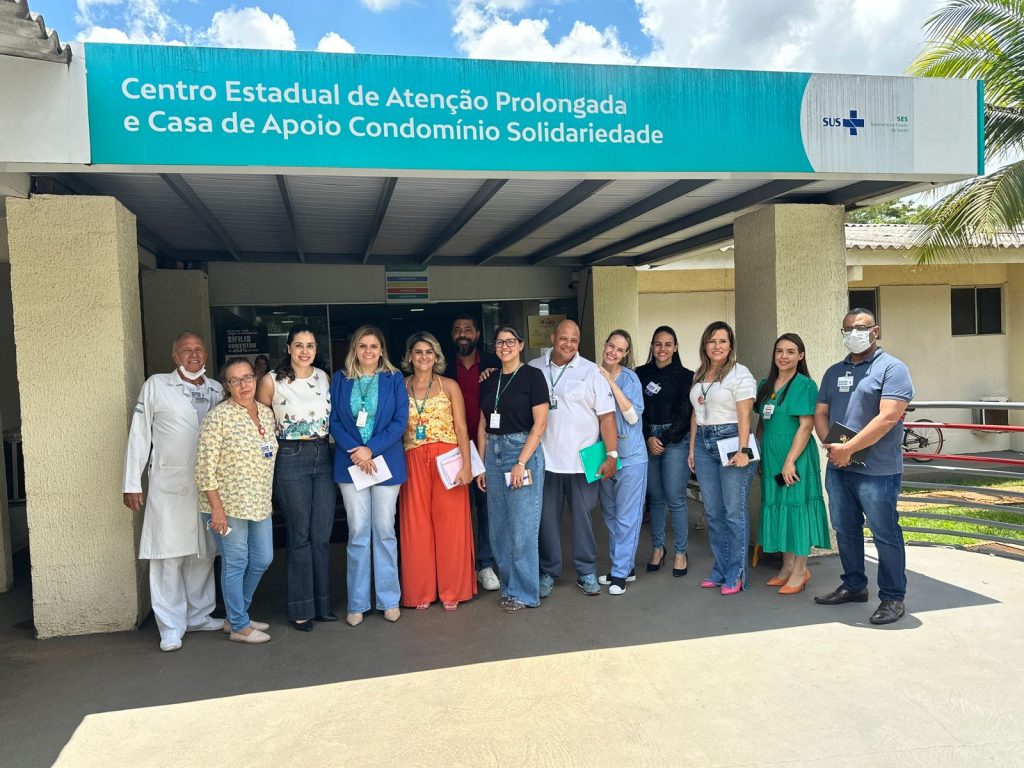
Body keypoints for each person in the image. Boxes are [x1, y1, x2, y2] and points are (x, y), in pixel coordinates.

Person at [123, 332, 224, 652]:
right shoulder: (156, 386)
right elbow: (139, 435)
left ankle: (198, 614)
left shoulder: (217, 389)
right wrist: (131, 482)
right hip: (169, 484)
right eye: (186, 350)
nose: (193, 354)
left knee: (203, 552)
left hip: (208, 484)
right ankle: (170, 625)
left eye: (198, 349)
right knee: (168, 555)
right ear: (174, 355)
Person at [814, 308, 914, 625]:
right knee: (845, 530)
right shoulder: (833, 371)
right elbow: (820, 412)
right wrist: (833, 448)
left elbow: (888, 417)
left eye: (859, 328)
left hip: (878, 470)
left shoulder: (892, 369)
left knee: (885, 533)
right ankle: (855, 585)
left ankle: (893, 598)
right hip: (840, 467)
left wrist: (849, 449)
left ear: (875, 330)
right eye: (847, 329)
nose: (852, 334)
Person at [529, 319, 618, 598]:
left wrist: (612, 455)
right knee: (546, 520)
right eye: (563, 338)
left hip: (583, 460)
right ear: (553, 337)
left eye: (574, 340)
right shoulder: (533, 368)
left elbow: (607, 417)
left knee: (583, 519)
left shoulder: (591, 372)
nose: (568, 344)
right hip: (545, 459)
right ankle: (548, 571)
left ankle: (586, 571)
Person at [256, 326, 335, 632]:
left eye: (310, 345)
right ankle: (301, 608)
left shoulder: (323, 377)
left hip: (322, 455)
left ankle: (323, 604)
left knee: (321, 534)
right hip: (290, 457)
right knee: (300, 535)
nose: (305, 351)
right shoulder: (271, 380)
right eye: (299, 345)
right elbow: (260, 425)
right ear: (288, 347)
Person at [330, 325, 408, 627]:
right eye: (362, 346)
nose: (368, 352)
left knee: (384, 531)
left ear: (381, 350)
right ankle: (358, 602)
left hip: (385, 464)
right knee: (358, 532)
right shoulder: (340, 379)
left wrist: (371, 450)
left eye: (374, 347)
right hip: (351, 467)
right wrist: (357, 450)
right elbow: (333, 420)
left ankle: (389, 598)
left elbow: (400, 420)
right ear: (354, 349)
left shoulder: (394, 379)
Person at [196, 357, 277, 644]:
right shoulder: (218, 417)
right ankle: (240, 626)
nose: (243, 385)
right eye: (235, 380)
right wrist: (216, 509)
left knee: (263, 558)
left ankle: (236, 614)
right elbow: (204, 468)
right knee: (236, 561)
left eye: (248, 378)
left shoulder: (267, 414)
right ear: (227, 386)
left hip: (258, 503)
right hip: (227, 507)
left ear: (256, 379)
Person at [400, 332, 477, 611]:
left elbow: (461, 428)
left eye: (429, 352)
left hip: (448, 459)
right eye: (418, 352)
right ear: (410, 356)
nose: (423, 357)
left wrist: (467, 465)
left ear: (437, 356)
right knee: (416, 525)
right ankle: (420, 591)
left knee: (451, 525)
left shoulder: (450, 386)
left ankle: (452, 589)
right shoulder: (401, 386)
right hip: (412, 459)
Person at [477, 325, 549, 612]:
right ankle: (510, 587)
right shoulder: (489, 381)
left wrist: (520, 462)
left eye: (510, 341)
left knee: (522, 527)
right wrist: (481, 464)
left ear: (520, 345)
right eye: (499, 342)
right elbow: (483, 424)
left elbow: (540, 424)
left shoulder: (533, 376)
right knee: (499, 528)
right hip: (493, 454)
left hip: (521, 452)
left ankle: (525, 592)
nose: (504, 346)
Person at [754, 333, 830, 595]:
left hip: (794, 457)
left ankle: (800, 571)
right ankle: (787, 567)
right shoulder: (766, 384)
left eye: (790, 351)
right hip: (772, 455)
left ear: (801, 355)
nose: (783, 356)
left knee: (796, 510)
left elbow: (807, 425)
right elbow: (762, 423)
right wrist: (759, 455)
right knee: (780, 509)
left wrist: (789, 462)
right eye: (779, 351)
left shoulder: (805, 384)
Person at [688, 321, 758, 596]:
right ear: (705, 345)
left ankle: (737, 573)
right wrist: (693, 448)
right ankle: (720, 569)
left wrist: (743, 451)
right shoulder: (701, 374)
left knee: (733, 513)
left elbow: (744, 416)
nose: (717, 346)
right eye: (712, 341)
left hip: (731, 440)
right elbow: (696, 412)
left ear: (731, 346)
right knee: (714, 514)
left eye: (723, 341)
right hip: (704, 444)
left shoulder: (740, 375)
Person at [445, 314, 501, 592]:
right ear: (452, 336)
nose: (462, 334)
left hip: (486, 444)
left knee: (485, 507)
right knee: (456, 509)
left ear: (477, 334)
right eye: (457, 330)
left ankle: (485, 564)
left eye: (467, 329)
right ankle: (461, 565)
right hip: (451, 449)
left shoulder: (493, 364)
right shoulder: (442, 368)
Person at [635, 325, 695, 577]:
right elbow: (638, 409)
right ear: (652, 346)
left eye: (668, 344)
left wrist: (666, 439)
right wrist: (649, 436)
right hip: (648, 441)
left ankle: (681, 551)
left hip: (675, 442)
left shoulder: (685, 375)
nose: (662, 349)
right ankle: (658, 548)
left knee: (675, 498)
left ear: (676, 347)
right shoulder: (640, 373)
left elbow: (686, 412)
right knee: (655, 499)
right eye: (658, 344)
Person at [595, 330, 647, 595]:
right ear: (605, 345)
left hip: (631, 457)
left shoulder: (630, 378)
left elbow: (632, 417)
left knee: (627, 516)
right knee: (611, 515)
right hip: (603, 456)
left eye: (620, 350)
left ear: (626, 354)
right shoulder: (591, 373)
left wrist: (611, 382)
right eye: (611, 346)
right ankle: (623, 566)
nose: (613, 352)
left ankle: (619, 573)